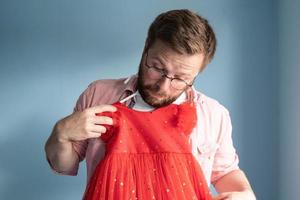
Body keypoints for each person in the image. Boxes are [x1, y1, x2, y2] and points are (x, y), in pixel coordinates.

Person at [45, 9, 256, 200]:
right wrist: (60, 134)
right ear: (146, 47)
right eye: (157, 67)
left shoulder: (213, 114)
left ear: (197, 73)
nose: (164, 86)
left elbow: (226, 171)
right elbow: (64, 165)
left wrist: (245, 195)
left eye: (181, 78)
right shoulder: (99, 95)